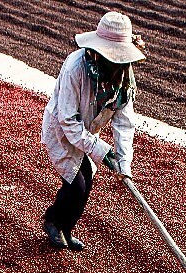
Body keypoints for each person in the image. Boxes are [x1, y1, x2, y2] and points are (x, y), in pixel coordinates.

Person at [41, 11, 145, 251]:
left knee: (86, 182)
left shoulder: (124, 80)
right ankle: (53, 222)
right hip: (63, 129)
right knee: (76, 182)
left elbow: (124, 123)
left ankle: (64, 227)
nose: (116, 63)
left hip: (86, 132)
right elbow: (68, 120)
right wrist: (100, 150)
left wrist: (124, 163)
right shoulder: (75, 67)